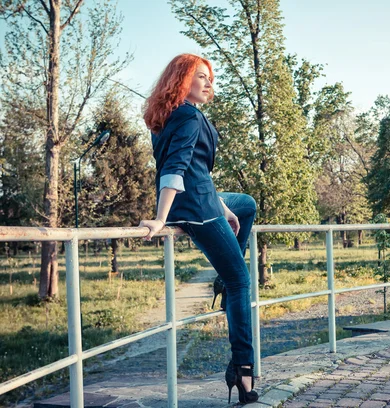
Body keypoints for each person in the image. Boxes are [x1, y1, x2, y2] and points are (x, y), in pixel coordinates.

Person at [139, 53, 258, 405]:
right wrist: (161, 219)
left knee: (246, 205)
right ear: (182, 80)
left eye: (210, 78)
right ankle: (243, 368)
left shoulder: (166, 117)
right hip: (197, 210)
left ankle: (225, 274)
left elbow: (196, 171)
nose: (209, 84)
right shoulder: (190, 116)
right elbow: (173, 169)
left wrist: (225, 207)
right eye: (201, 77)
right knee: (240, 283)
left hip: (202, 202)